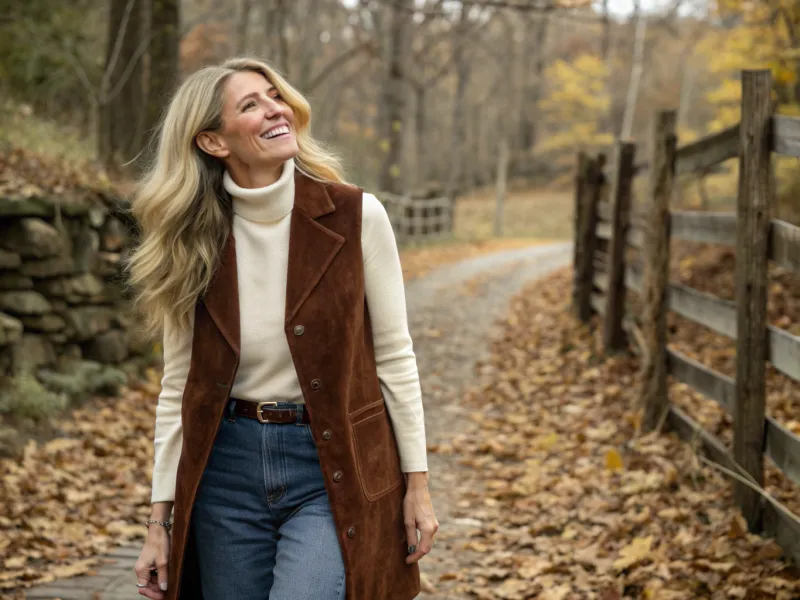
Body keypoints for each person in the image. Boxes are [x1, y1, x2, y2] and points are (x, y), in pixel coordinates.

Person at [126, 56, 438, 600]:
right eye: (251, 105)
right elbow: (180, 385)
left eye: (275, 96)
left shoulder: (356, 216)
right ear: (212, 142)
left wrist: (418, 485)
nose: (277, 109)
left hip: (330, 464)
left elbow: (394, 357)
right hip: (225, 473)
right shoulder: (190, 242)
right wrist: (160, 522)